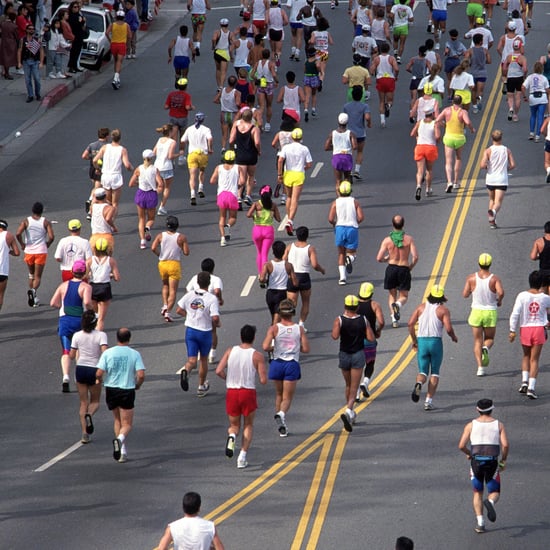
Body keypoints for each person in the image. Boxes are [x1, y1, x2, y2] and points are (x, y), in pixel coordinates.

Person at [216, 324, 267, 468]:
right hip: (248, 392)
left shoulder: (230, 351)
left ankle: (232, 436)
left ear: (241, 336)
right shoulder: (257, 356)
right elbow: (263, 380)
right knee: (248, 424)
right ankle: (242, 457)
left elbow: (219, 370)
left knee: (234, 425)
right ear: (254, 338)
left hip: (232, 392)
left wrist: (228, 379)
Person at [458, 399, 509, 534]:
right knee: (495, 492)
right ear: (492, 409)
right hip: (492, 462)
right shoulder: (499, 425)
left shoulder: (470, 425)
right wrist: (503, 460)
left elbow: (461, 445)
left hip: (476, 462)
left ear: (477, 410)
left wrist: (469, 454)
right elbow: (505, 445)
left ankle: (480, 523)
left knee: (477, 492)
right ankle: (491, 502)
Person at [96, 327, 145, 463]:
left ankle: (122, 452)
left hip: (111, 389)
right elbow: (141, 374)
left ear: (117, 338)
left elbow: (99, 373)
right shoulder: (134, 354)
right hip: (126, 389)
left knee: (117, 420)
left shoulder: (108, 353)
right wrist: (138, 385)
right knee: (127, 424)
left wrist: (100, 381)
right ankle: (119, 440)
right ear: (129, 339)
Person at [262, 298, 309, 436]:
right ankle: (282, 414)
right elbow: (306, 349)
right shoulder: (298, 329)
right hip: (291, 364)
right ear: (293, 313)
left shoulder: (274, 328)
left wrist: (275, 346)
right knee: (287, 397)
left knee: (279, 394)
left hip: (277, 363)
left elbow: (265, 346)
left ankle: (281, 426)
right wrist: (295, 347)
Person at [408, 284, 458, 410]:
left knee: (422, 371)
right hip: (435, 342)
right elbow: (448, 328)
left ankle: (419, 383)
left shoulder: (421, 307)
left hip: (422, 341)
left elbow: (410, 323)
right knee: (435, 372)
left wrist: (414, 340)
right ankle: (428, 401)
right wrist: (453, 337)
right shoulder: (443, 310)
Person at [332, 294, 375, 432]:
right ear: (357, 307)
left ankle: (351, 413)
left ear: (345, 306)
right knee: (355, 387)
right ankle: (349, 410)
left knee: (348, 385)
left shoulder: (339, 320)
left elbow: (335, 336)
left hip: (344, 354)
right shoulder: (363, 320)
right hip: (358, 354)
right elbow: (371, 338)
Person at [50, 259, 93, 393]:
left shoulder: (63, 286)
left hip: (65, 321)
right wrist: (92, 311)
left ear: (72, 272)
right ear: (84, 273)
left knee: (66, 351)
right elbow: (86, 302)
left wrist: (62, 307)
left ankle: (65, 376)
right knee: (80, 349)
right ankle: (78, 377)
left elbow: (53, 302)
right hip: (80, 321)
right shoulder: (86, 287)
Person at [176, 271, 221, 397]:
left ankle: (186, 370)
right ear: (209, 283)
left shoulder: (189, 295)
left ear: (197, 282)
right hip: (204, 332)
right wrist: (217, 324)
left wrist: (189, 316)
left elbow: (178, 309)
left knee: (191, 360)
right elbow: (215, 318)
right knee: (203, 359)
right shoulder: (211, 298)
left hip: (190, 331)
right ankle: (201, 386)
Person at [509, 270, 550, 399]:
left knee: (526, 356)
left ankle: (524, 382)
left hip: (525, 329)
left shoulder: (522, 296)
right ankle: (531, 388)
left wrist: (512, 330)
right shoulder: (545, 298)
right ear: (541, 283)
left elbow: (515, 314)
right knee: (535, 359)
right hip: (538, 329)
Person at [69, 309, 108, 444]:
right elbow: (105, 353)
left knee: (83, 402)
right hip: (94, 369)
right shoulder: (101, 335)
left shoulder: (77, 336)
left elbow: (71, 355)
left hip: (80, 369)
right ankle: (89, 415)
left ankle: (85, 433)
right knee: (95, 401)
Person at [463, 253, 505, 376]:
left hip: (476, 311)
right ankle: (485, 348)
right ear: (490, 264)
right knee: (489, 339)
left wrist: (471, 291)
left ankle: (480, 368)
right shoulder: (494, 279)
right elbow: (501, 292)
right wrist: (499, 300)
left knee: (477, 341)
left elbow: (465, 294)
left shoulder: (471, 278)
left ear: (479, 263)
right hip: (490, 312)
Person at [376, 215, 418, 328]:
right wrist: (410, 267)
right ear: (403, 224)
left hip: (391, 268)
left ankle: (394, 320)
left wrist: (387, 259)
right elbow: (415, 257)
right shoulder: (409, 239)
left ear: (393, 225)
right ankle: (398, 305)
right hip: (403, 268)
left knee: (391, 294)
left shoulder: (387, 240)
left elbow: (379, 258)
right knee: (403, 295)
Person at [285, 225, 326, 330]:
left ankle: (288, 323)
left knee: (291, 303)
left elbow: (283, 260)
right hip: (304, 277)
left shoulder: (290, 247)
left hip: (292, 276)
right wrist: (322, 270)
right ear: (307, 236)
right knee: (306, 302)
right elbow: (315, 265)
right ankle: (301, 324)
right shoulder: (310, 249)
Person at [16, 201, 55, 308]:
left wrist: (22, 244)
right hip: (41, 251)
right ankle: (33, 291)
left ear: (33, 211)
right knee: (38, 276)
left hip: (29, 251)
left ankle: (34, 298)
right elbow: (51, 237)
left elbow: (18, 233)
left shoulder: (26, 221)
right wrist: (48, 244)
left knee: (31, 274)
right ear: (42, 211)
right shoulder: (45, 222)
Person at [151, 216, 190, 323]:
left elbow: (153, 248)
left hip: (162, 264)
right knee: (173, 291)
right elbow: (186, 253)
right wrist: (182, 246)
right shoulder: (181, 237)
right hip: (174, 264)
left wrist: (160, 255)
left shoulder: (160, 235)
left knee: (165, 285)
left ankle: (164, 305)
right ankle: (168, 312)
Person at [186, 258, 224, 364]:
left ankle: (198, 352)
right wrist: (220, 299)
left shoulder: (195, 278)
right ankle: (212, 352)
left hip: (198, 308)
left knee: (198, 328)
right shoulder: (216, 279)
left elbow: (188, 289)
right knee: (213, 331)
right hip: (211, 308)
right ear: (213, 268)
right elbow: (217, 291)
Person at [156, 492, 224, 550]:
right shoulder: (209, 526)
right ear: (199, 508)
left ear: (183, 508)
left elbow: (161, 548)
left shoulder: (172, 527)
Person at [436, 95, 475, 193]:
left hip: (448, 137)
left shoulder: (446, 110)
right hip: (459, 138)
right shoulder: (463, 112)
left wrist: (444, 125)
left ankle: (449, 181)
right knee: (458, 158)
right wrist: (471, 129)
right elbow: (467, 122)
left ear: (453, 101)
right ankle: (456, 182)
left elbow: (437, 120)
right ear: (461, 102)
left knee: (448, 161)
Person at [277, 127, 313, 235]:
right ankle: (290, 220)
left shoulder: (286, 148)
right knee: (295, 199)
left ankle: (289, 218)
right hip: (299, 175)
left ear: (292, 137)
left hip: (288, 174)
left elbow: (280, 160)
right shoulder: (304, 148)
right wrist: (304, 168)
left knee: (289, 197)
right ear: (301, 137)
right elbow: (309, 164)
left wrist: (280, 174)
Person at [328, 180, 364, 286]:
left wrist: (335, 224)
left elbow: (330, 218)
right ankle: (350, 259)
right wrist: (355, 222)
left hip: (340, 228)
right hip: (352, 228)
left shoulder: (335, 202)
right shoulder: (355, 202)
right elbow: (361, 217)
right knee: (352, 252)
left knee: (340, 253)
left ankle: (342, 278)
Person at [480, 129, 516, 228]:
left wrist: (488, 167)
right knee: (498, 202)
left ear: (492, 138)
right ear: (501, 138)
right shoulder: (507, 150)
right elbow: (513, 165)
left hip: (490, 179)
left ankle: (492, 222)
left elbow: (482, 165)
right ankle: (493, 212)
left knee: (491, 199)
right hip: (501, 179)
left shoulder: (488, 150)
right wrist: (506, 168)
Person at [356, 282, 385, 400]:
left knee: (357, 367)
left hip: (356, 340)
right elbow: (382, 322)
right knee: (370, 363)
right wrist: (378, 330)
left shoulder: (354, 305)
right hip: (369, 339)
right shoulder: (374, 305)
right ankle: (366, 382)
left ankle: (356, 393)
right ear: (371, 293)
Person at [129, 148, 162, 249]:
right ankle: (147, 227)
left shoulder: (138, 169)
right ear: (152, 158)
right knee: (151, 218)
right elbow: (160, 184)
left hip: (141, 194)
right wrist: (157, 191)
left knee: (141, 218)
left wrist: (139, 183)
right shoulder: (155, 170)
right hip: (151, 194)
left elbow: (131, 184)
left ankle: (142, 242)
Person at [93, 129, 134, 210]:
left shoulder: (105, 147)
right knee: (115, 203)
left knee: (107, 200)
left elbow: (94, 160)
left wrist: (97, 168)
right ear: (120, 138)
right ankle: (112, 218)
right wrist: (132, 169)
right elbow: (127, 165)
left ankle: (106, 218)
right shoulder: (122, 150)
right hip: (116, 176)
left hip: (106, 176)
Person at [259, 239, 298, 323]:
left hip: (270, 294)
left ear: (273, 252)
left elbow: (262, 279)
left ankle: (274, 333)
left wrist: (264, 281)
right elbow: (295, 283)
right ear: (284, 252)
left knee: (274, 317)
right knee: (276, 320)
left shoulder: (267, 265)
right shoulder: (288, 265)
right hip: (282, 294)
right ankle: (273, 334)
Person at [180, 112, 214, 206]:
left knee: (192, 176)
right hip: (202, 153)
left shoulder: (189, 129)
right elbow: (210, 139)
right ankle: (200, 188)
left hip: (192, 154)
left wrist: (183, 148)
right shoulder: (206, 129)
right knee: (202, 171)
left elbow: (182, 140)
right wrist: (210, 149)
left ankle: (192, 194)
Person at [87, 238, 120, 331]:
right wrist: (110, 275)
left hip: (93, 287)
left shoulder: (90, 260)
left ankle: (92, 331)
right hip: (105, 288)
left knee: (94, 314)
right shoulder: (111, 260)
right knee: (101, 319)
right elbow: (117, 278)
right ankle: (99, 337)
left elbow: (85, 276)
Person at [247, 185, 281, 275]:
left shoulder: (256, 204)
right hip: (268, 231)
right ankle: (264, 274)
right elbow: (279, 219)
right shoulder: (273, 205)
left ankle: (260, 274)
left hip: (257, 230)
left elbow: (248, 214)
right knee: (264, 254)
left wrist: (255, 216)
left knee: (259, 253)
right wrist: (271, 214)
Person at [230, 108, 261, 205]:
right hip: (251, 155)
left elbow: (231, 140)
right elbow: (257, 142)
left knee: (241, 177)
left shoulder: (236, 126)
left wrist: (232, 149)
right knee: (251, 176)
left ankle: (238, 196)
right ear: (251, 117)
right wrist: (259, 151)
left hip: (240, 155)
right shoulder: (254, 129)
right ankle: (248, 195)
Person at [209, 149, 240, 246]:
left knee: (222, 217)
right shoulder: (237, 167)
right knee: (233, 217)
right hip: (232, 195)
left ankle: (222, 238)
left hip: (221, 195)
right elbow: (242, 181)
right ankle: (228, 225)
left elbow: (212, 181)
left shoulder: (219, 167)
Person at [411, 108, 440, 200]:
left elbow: (412, 133)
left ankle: (418, 185)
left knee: (420, 170)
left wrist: (418, 137)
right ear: (432, 114)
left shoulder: (419, 122)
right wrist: (437, 141)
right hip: (430, 147)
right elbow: (437, 136)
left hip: (420, 147)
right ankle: (428, 189)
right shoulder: (434, 123)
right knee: (429, 170)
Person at [343, 86, 371, 180]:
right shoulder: (364, 106)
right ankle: (357, 171)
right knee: (360, 151)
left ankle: (349, 170)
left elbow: (344, 118)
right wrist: (369, 123)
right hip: (360, 133)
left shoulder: (346, 106)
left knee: (349, 152)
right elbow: (367, 117)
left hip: (349, 133)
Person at [324, 113, 357, 193]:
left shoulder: (332, 133)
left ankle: (339, 199)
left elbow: (326, 147)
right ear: (347, 122)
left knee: (338, 181)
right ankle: (347, 195)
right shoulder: (350, 134)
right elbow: (355, 146)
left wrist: (335, 147)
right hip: (347, 157)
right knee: (347, 178)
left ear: (338, 122)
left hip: (337, 157)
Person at [82, 128, 110, 218]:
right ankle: (91, 202)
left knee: (96, 186)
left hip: (92, 168)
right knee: (98, 189)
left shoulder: (92, 145)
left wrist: (92, 157)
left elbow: (84, 156)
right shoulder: (107, 146)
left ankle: (91, 200)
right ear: (107, 136)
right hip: (101, 169)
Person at [164, 79, 195, 162]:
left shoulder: (171, 94)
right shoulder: (186, 96)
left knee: (173, 137)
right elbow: (187, 107)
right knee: (182, 137)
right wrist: (192, 107)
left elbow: (166, 106)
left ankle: (171, 156)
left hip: (173, 117)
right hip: (182, 118)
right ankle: (181, 157)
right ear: (186, 86)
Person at [370, 42, 399, 128]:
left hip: (380, 79)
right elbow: (396, 69)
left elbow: (371, 70)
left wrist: (374, 73)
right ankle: (388, 106)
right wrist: (395, 76)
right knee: (390, 100)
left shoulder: (376, 59)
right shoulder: (391, 58)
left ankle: (382, 120)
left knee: (381, 101)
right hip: (390, 79)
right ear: (388, 49)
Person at [521, 61, 550, 142]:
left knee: (533, 115)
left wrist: (524, 96)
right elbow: (547, 90)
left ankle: (531, 133)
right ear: (542, 69)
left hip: (532, 97)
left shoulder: (530, 77)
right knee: (540, 116)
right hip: (542, 97)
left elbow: (523, 87)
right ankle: (537, 135)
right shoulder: (544, 78)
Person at [152, 126, 176, 217]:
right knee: (167, 188)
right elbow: (170, 156)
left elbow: (153, 152)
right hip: (166, 167)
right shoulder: (172, 142)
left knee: (157, 186)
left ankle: (152, 203)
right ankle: (161, 207)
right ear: (170, 131)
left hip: (157, 166)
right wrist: (178, 154)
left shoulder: (159, 139)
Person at [17, 23, 44, 103]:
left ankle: (38, 94)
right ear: (26, 30)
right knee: (27, 79)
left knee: (37, 79)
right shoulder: (23, 40)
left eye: (33, 29)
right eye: (30, 29)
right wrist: (19, 62)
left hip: (35, 61)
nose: (31, 30)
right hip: (26, 61)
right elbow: (19, 51)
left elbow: (41, 50)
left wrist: (41, 62)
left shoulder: (37, 40)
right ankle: (30, 95)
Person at [253, 47, 278, 131]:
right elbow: (274, 75)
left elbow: (252, 74)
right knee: (269, 105)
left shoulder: (257, 63)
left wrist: (257, 79)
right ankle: (268, 124)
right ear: (268, 55)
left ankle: (259, 123)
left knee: (261, 106)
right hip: (269, 84)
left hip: (260, 84)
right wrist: (277, 81)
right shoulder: (270, 64)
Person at [465, 33, 491, 114]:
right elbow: (489, 61)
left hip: (473, 73)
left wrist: (470, 64)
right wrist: (483, 61)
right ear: (480, 42)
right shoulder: (485, 51)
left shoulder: (470, 51)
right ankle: (479, 98)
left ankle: (475, 106)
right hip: (482, 73)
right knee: (480, 91)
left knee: (473, 91)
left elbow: (466, 61)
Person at [214, 75, 241, 152]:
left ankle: (223, 148)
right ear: (235, 83)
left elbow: (215, 100)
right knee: (233, 133)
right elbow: (238, 103)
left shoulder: (222, 90)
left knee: (224, 134)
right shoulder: (237, 92)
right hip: (233, 114)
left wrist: (222, 103)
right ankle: (232, 150)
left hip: (224, 114)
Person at [503, 38, 527, 122]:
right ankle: (515, 115)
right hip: (519, 78)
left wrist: (505, 75)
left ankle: (511, 108)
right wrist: (524, 76)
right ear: (520, 47)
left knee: (510, 96)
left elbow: (504, 67)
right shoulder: (522, 58)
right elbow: (524, 69)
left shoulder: (509, 56)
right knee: (518, 97)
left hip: (510, 77)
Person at [89, 187, 118, 255]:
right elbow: (108, 219)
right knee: (107, 257)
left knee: (95, 258)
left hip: (94, 236)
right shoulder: (110, 208)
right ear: (105, 196)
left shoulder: (92, 207)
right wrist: (114, 227)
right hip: (106, 235)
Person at [0, 219, 20, 314]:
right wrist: (8, 251)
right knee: (0, 295)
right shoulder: (9, 236)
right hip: (2, 270)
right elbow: (17, 253)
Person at [212, 18, 233, 91]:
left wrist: (213, 45)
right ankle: (221, 86)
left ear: (220, 24)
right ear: (227, 25)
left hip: (217, 52)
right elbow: (233, 43)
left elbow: (214, 39)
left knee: (218, 69)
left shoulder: (217, 32)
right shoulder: (230, 33)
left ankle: (218, 85)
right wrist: (232, 55)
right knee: (223, 71)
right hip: (225, 53)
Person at [302, 46, 322, 122]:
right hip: (314, 77)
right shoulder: (316, 61)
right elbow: (318, 67)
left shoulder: (306, 61)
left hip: (307, 77)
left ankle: (306, 109)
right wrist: (319, 71)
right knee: (314, 94)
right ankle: (313, 109)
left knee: (307, 95)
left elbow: (304, 70)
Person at [530, 221, 550, 294]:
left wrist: (540, 256)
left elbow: (533, 257)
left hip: (543, 272)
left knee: (542, 294)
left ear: (545, 230)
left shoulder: (539, 242)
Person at [266, 0, 288, 65]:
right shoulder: (282, 11)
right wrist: (282, 24)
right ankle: (276, 59)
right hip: (279, 31)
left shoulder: (268, 11)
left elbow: (266, 21)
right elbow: (286, 21)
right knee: (278, 51)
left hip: (271, 30)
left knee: (273, 50)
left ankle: (273, 65)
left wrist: (270, 23)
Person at [67, 0, 86, 73]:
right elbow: (74, 24)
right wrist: (80, 21)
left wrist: (82, 21)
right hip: (73, 36)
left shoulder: (79, 14)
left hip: (79, 36)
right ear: (71, 8)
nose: (76, 8)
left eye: (77, 7)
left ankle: (75, 66)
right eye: (75, 7)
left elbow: (82, 22)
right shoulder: (71, 16)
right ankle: (71, 67)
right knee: (73, 52)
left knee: (77, 52)